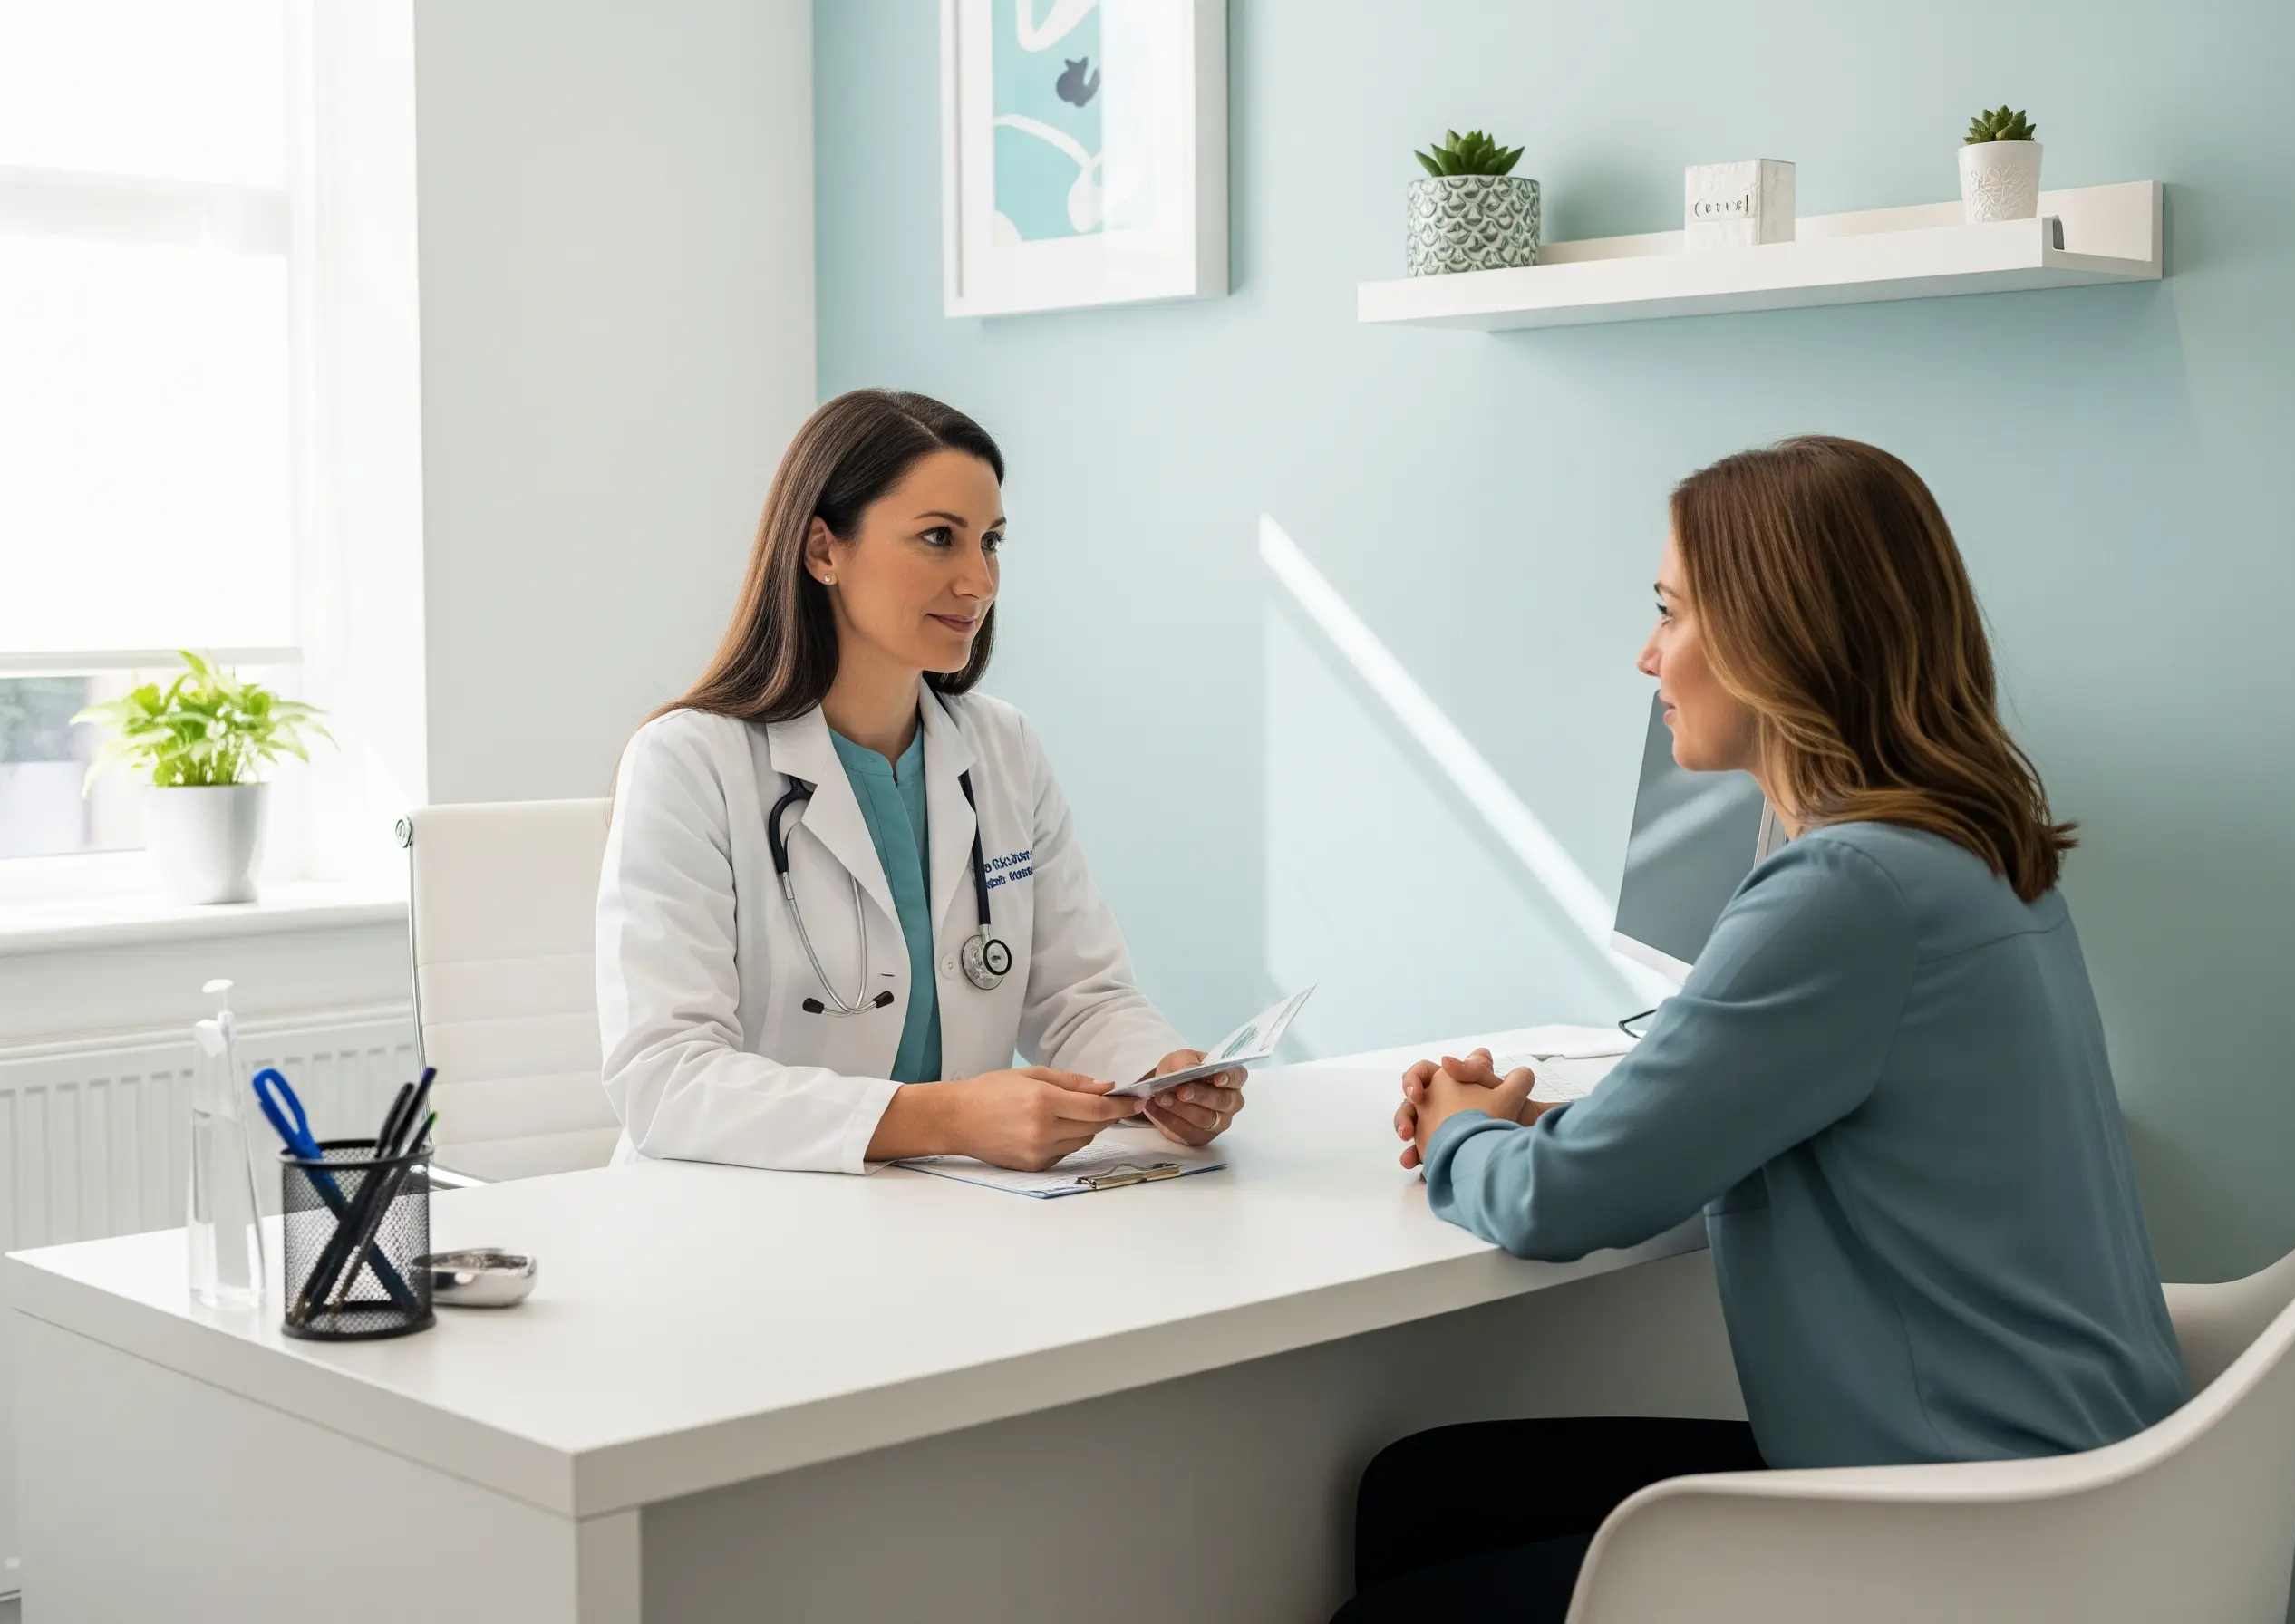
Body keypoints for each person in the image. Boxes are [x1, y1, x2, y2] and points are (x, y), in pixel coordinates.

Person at [1342, 436, 2189, 1621]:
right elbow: (1780, 1107)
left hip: (1962, 1536)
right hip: (2079, 1485)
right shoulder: (1970, 849)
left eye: (1670, 613)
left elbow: (1564, 1204)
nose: (1648, 656)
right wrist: (1535, 1116)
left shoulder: (1845, 891)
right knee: (1424, 1495)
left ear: (1777, 633)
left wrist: (1456, 1136)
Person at [596, 390, 1243, 1173]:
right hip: (738, 1217)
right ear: (822, 550)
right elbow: (666, 1078)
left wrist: (1162, 1075)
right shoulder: (688, 764)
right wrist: (946, 1119)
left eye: (991, 542)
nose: (980, 581)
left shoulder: (1004, 750)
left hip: (948, 1210)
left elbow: (1080, 998)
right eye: (939, 538)